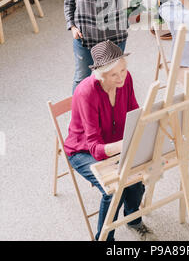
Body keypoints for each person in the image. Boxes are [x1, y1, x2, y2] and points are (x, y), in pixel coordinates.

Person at [64, 40, 155, 241]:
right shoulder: (86, 92)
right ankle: (104, 239)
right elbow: (95, 148)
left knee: (136, 180)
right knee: (115, 190)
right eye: (114, 74)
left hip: (115, 143)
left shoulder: (126, 78)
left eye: (123, 70)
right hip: (83, 150)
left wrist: (147, 125)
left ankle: (133, 219)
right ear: (100, 74)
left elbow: (133, 110)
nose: (121, 77)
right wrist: (128, 143)